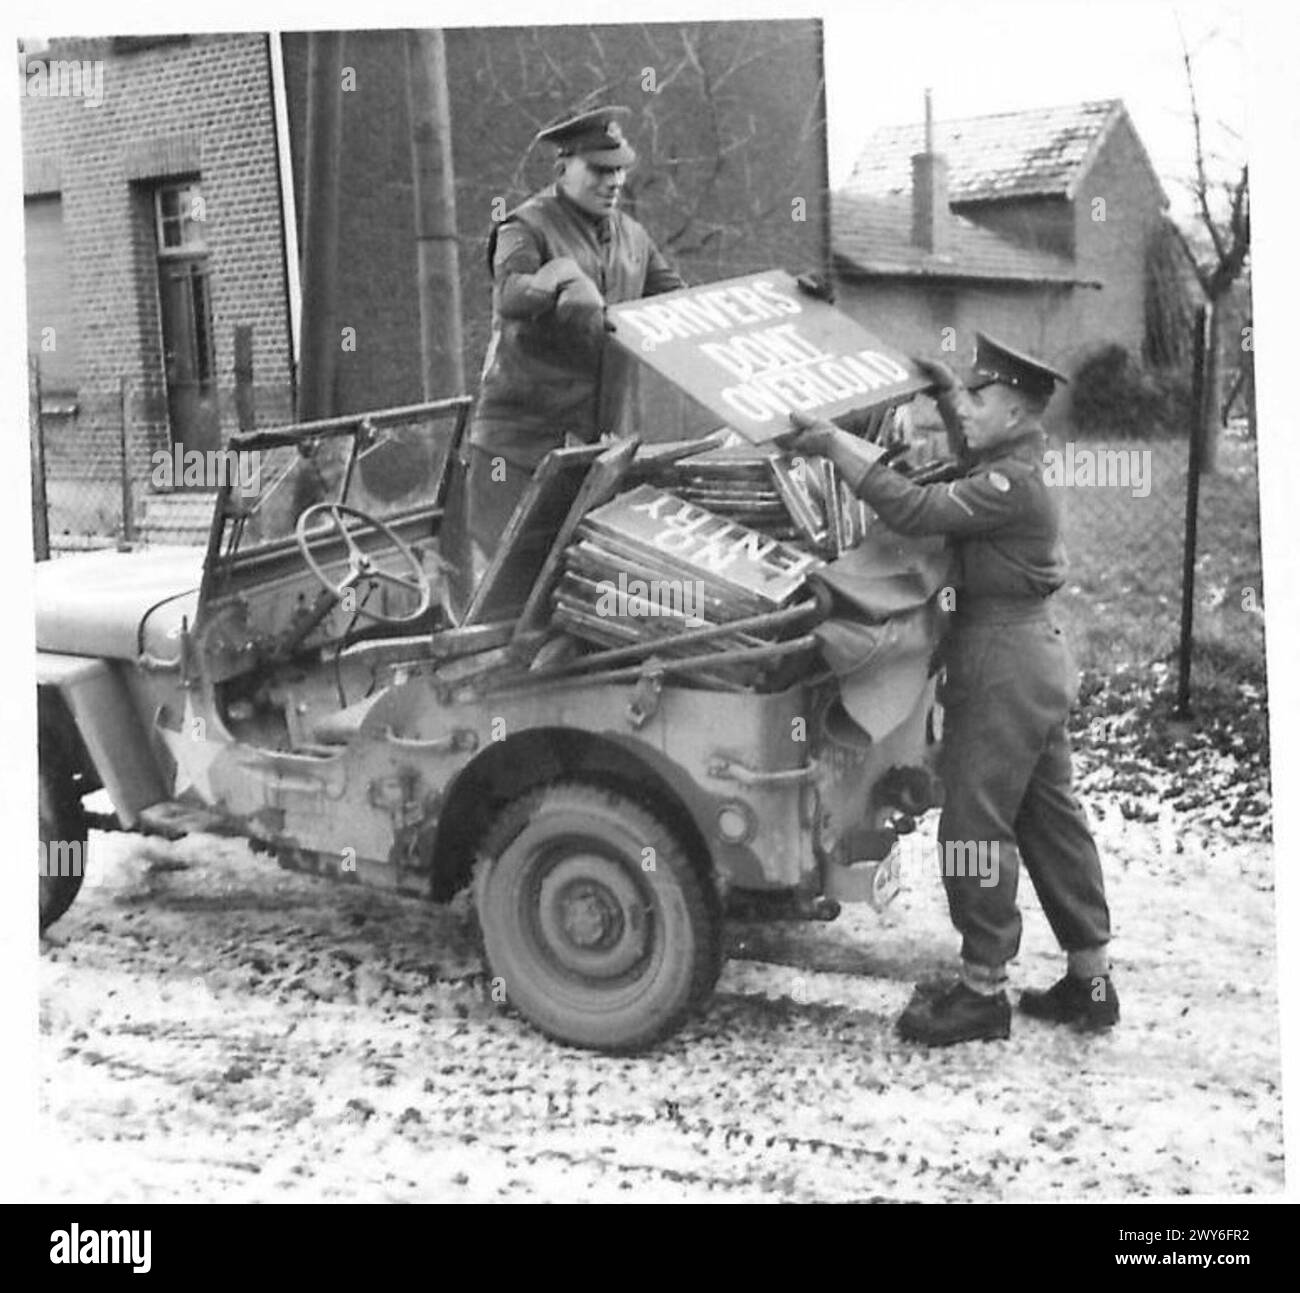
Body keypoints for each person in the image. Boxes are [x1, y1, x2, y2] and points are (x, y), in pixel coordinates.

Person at [780, 332, 1118, 1046]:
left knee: (972, 827)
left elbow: (918, 510)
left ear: (1020, 412)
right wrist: (942, 392)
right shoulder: (1009, 465)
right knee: (1050, 821)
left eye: (980, 397)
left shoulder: (1008, 485)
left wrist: (835, 445)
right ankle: (1092, 982)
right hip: (1033, 661)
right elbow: (963, 464)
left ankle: (981, 995)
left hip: (1003, 665)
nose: (968, 408)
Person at [449, 105, 685, 610]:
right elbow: (510, 293)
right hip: (516, 451)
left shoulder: (633, 239)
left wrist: (785, 300)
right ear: (564, 166)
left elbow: (685, 307)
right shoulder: (523, 226)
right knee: (511, 590)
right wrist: (556, 280)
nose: (614, 180)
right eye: (600, 170)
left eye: (620, 168)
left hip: (589, 451)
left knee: (578, 591)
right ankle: (485, 689)